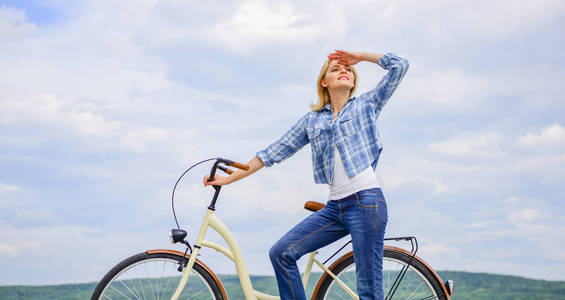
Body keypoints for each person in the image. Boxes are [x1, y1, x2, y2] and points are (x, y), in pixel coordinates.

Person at [204, 50, 409, 300]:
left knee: (368, 288)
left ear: (354, 81)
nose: (343, 71)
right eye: (335, 69)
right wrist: (228, 178)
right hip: (335, 208)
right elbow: (271, 153)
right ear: (324, 82)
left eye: (348, 70)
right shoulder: (312, 122)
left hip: (366, 203)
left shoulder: (367, 105)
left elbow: (400, 66)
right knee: (281, 253)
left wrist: (360, 57)